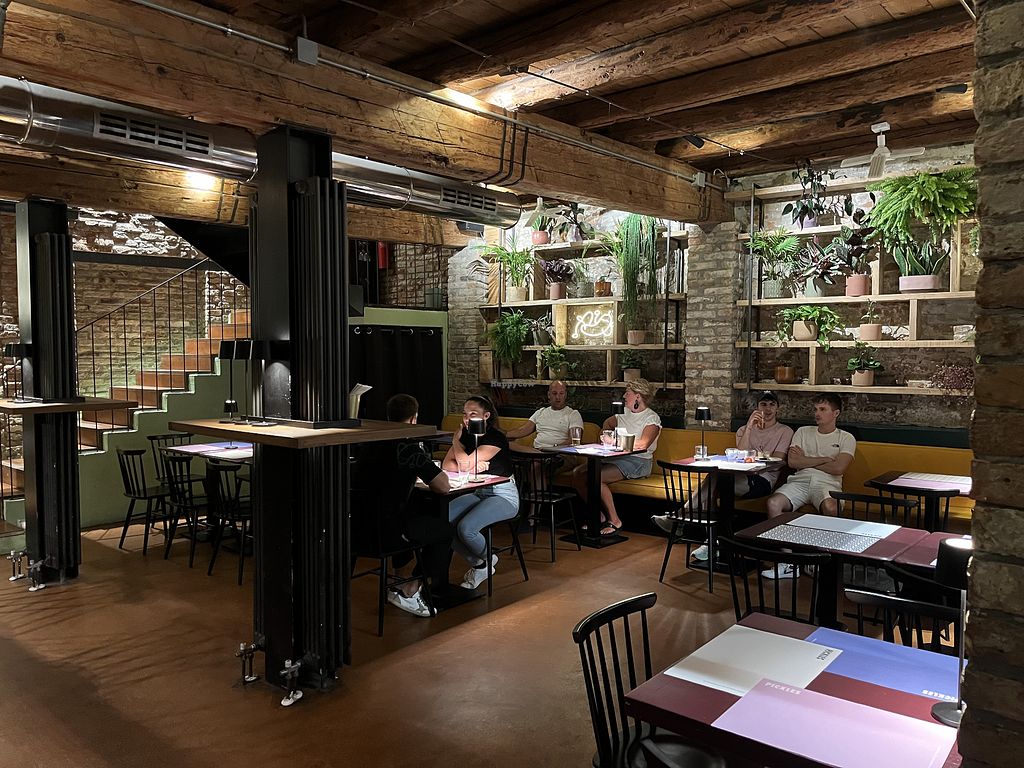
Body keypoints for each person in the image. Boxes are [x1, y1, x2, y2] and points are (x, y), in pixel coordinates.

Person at [651, 391, 793, 561]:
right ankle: (713, 544)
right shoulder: (743, 430)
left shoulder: (784, 431)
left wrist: (752, 456)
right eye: (763, 404)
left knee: (714, 481)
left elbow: (778, 459)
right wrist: (749, 426)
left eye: (772, 405)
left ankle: (682, 521)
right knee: (715, 481)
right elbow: (741, 453)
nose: (767, 409)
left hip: (763, 480)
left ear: (777, 408)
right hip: (738, 476)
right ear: (756, 408)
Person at [351, 394, 454, 618]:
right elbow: (443, 486)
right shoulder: (408, 449)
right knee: (445, 531)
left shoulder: (369, 444)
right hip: (387, 533)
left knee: (409, 514)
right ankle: (410, 589)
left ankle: (398, 581)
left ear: (388, 417)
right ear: (414, 419)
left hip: (356, 529)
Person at [762, 393, 856, 579]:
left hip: (828, 483)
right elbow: (793, 462)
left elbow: (838, 468)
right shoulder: (803, 432)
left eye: (823, 409)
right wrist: (823, 459)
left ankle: (823, 560)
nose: (817, 413)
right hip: (800, 481)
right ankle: (788, 562)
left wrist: (806, 460)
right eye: (815, 409)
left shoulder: (846, 438)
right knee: (773, 503)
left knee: (831, 507)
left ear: (836, 413)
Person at [442, 395, 520, 589]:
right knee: (441, 522)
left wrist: (456, 442)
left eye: (473, 414)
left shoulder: (496, 437)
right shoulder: (467, 435)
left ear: (486, 416)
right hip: (478, 492)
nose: (467, 419)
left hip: (503, 494)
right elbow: (447, 465)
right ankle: (481, 563)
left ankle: (487, 558)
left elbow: (463, 464)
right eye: (465, 414)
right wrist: (469, 465)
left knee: (466, 528)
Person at [571, 378, 661, 536]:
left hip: (639, 461)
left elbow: (643, 444)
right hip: (617, 458)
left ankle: (615, 520)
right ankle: (597, 515)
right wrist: (604, 435)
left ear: (638, 396)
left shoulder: (651, 418)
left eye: (627, 393)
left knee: (596, 477)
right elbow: (607, 423)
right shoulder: (623, 413)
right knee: (578, 473)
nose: (624, 396)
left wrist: (614, 441)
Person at [505, 380, 584, 450]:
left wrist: (554, 448)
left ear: (565, 395)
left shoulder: (573, 414)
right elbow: (522, 430)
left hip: (558, 453)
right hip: (537, 451)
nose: (558, 397)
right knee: (506, 445)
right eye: (554, 393)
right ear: (549, 395)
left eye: (561, 393)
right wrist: (502, 434)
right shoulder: (540, 412)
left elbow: (574, 441)